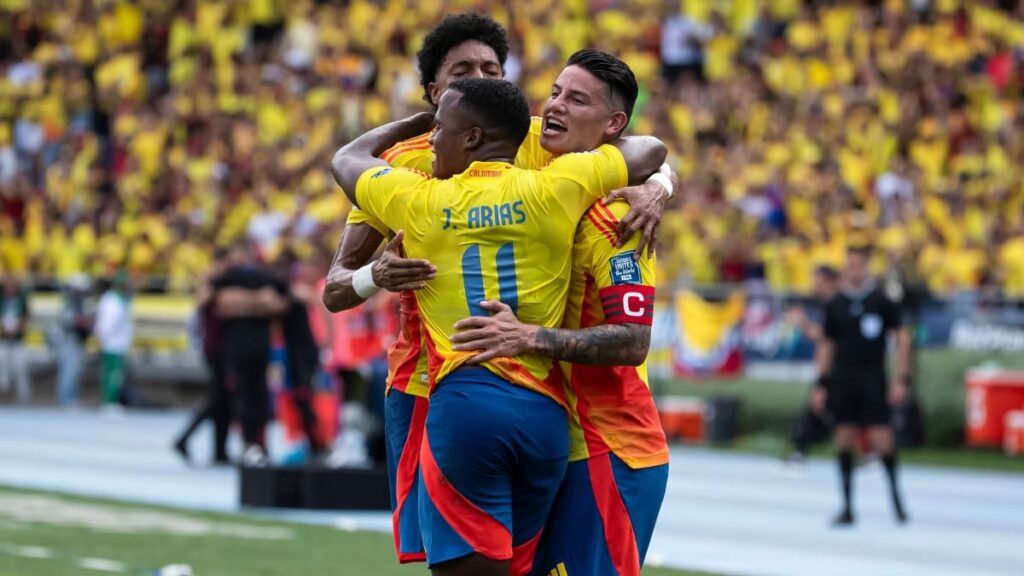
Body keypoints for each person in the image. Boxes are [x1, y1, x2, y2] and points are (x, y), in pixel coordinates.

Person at [322, 14, 669, 566]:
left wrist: (659, 185)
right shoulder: (418, 160)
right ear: (438, 94)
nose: (554, 106)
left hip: (571, 412)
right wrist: (373, 277)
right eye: (464, 71)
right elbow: (336, 289)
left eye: (492, 68)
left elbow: (650, 148)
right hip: (433, 385)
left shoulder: (544, 151)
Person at [447, 50, 671, 576]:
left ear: (613, 126)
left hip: (608, 446)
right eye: (554, 92)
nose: (555, 106)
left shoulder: (616, 217)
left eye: (577, 99)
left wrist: (528, 337)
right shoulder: (537, 158)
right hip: (550, 439)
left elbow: (632, 341)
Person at [811, 246, 912, 526]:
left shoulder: (882, 301)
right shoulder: (836, 304)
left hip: (873, 377)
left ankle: (896, 500)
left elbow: (902, 339)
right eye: (850, 265)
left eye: (859, 265)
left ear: (867, 267)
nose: (854, 271)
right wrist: (821, 383)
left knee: (883, 439)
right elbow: (827, 345)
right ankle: (847, 506)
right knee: (843, 438)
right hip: (843, 379)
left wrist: (902, 378)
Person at [212, 242, 289, 467]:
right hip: (236, 347)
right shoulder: (227, 277)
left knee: (260, 396)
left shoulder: (263, 277)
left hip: (260, 347)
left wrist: (242, 303)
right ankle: (247, 443)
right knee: (242, 396)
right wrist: (257, 303)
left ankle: (258, 443)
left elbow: (278, 304)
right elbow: (221, 303)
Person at [174, 250, 232, 465]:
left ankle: (219, 450)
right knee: (219, 398)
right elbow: (200, 304)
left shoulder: (221, 284)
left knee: (223, 399)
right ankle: (185, 438)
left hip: (220, 347)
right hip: (215, 347)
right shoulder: (212, 285)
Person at [784, 265, 840, 464]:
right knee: (820, 409)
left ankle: (802, 449)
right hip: (830, 367)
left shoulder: (837, 304)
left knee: (823, 407)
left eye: (817, 280)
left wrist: (803, 324)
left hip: (840, 367)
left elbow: (828, 336)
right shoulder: (826, 305)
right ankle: (802, 448)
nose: (813, 286)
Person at [94, 271, 134, 408]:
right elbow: (108, 322)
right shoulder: (112, 301)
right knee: (112, 375)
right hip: (112, 343)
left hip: (118, 342)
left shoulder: (120, 300)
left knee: (115, 375)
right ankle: (109, 402)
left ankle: (111, 400)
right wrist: (103, 338)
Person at [53, 274, 93, 407]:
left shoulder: (80, 303)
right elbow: (68, 321)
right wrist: (82, 322)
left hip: (77, 339)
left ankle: (70, 397)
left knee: (74, 369)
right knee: (69, 369)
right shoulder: (68, 302)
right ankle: (65, 399)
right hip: (68, 339)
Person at [0, 271, 31, 403]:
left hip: (18, 338)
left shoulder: (21, 299)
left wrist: (18, 330)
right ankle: (4, 384)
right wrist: (4, 330)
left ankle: (24, 396)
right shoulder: (1, 299)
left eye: (13, 286)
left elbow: (26, 317)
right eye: (8, 286)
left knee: (20, 366)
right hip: (3, 337)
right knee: (1, 359)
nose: (10, 288)